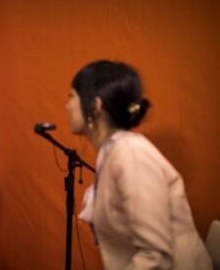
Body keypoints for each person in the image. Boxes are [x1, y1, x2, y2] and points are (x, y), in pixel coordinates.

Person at [66, 60, 212, 269]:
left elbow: (156, 256)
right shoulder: (112, 151)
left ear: (95, 106)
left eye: (71, 97)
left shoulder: (131, 154)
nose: (67, 105)